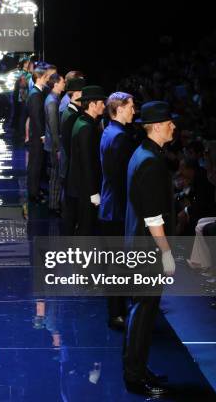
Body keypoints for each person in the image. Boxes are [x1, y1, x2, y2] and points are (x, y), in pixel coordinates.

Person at [124, 101, 177, 397]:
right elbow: (153, 216)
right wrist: (166, 253)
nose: (173, 126)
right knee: (143, 312)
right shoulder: (150, 161)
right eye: (169, 122)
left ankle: (138, 370)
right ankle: (134, 375)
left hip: (138, 245)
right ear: (156, 125)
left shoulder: (141, 154)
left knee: (141, 312)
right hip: (146, 250)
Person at [99, 92, 136, 330]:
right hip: (117, 208)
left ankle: (117, 312)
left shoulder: (108, 131)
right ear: (119, 109)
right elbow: (120, 178)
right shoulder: (120, 137)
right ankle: (117, 314)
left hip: (109, 204)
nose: (134, 110)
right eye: (131, 106)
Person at [63, 85, 106, 236]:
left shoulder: (81, 121)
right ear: (93, 104)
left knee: (82, 225)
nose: (104, 105)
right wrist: (93, 191)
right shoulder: (87, 127)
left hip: (79, 185)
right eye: (101, 102)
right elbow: (87, 162)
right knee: (85, 226)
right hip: (85, 188)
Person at [43, 74, 65, 213]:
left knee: (55, 176)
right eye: (62, 82)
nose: (64, 84)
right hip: (53, 145)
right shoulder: (52, 101)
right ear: (56, 84)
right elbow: (53, 126)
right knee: (55, 176)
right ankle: (54, 205)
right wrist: (57, 148)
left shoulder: (53, 99)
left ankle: (54, 204)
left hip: (52, 144)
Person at [26, 66, 48, 203]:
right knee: (35, 164)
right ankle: (33, 194)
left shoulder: (36, 93)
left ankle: (35, 191)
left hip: (36, 135)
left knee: (36, 164)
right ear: (39, 78)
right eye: (45, 77)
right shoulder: (35, 94)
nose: (47, 80)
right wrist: (42, 134)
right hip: (36, 137)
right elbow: (36, 116)